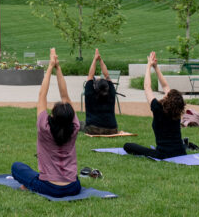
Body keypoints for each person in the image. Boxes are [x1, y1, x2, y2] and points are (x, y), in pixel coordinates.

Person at [10, 48, 82, 198]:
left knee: (17, 167)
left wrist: (50, 67)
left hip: (50, 188)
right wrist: (58, 68)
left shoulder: (44, 127)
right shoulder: (75, 127)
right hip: (73, 187)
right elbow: (65, 96)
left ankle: (30, 185)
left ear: (52, 116)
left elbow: (42, 94)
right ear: (70, 116)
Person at [124, 51, 187, 159]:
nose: (164, 95)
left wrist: (149, 66)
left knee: (128, 146)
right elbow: (165, 85)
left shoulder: (157, 108)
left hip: (163, 154)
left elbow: (147, 87)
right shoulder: (176, 111)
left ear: (168, 99)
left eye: (166, 96)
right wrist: (156, 67)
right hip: (181, 152)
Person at [82, 48, 118, 135]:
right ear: (107, 86)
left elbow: (90, 75)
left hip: (94, 129)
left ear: (95, 87)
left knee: (78, 124)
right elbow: (107, 75)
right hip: (112, 129)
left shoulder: (90, 93)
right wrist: (100, 60)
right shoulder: (111, 93)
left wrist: (95, 59)